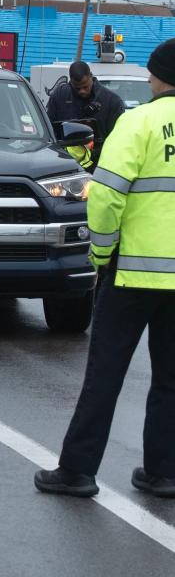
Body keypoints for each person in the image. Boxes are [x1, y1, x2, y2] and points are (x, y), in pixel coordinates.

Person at [34, 38, 175, 499]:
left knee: (106, 375)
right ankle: (164, 472)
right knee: (171, 381)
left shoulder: (138, 122)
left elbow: (108, 195)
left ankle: (77, 470)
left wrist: (101, 255)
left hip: (131, 274)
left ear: (157, 76)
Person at [46, 61, 125, 166]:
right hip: (65, 163)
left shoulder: (112, 101)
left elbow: (119, 139)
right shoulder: (59, 96)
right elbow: (48, 127)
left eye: (85, 87)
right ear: (70, 81)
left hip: (100, 164)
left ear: (91, 76)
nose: (82, 91)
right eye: (77, 88)